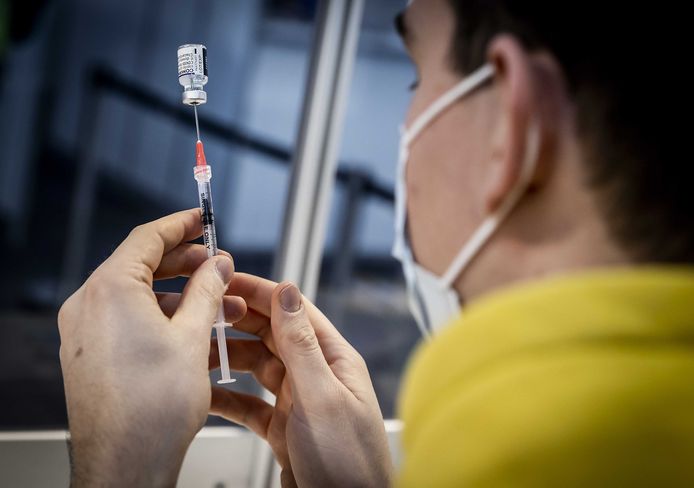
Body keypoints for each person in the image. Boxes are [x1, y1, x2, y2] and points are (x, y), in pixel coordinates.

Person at [58, 0, 694, 486]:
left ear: (511, 129)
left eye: (417, 78)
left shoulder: (514, 460)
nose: (407, 126)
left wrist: (119, 467)